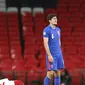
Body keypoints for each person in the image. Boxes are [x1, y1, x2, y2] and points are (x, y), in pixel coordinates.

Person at [43, 14, 64, 85]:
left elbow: (59, 41)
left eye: (56, 18)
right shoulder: (46, 30)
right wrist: (49, 55)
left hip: (59, 54)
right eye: (54, 19)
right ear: (49, 20)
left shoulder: (58, 29)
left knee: (58, 72)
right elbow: (45, 43)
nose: (56, 20)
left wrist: (60, 54)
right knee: (50, 73)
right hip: (52, 54)